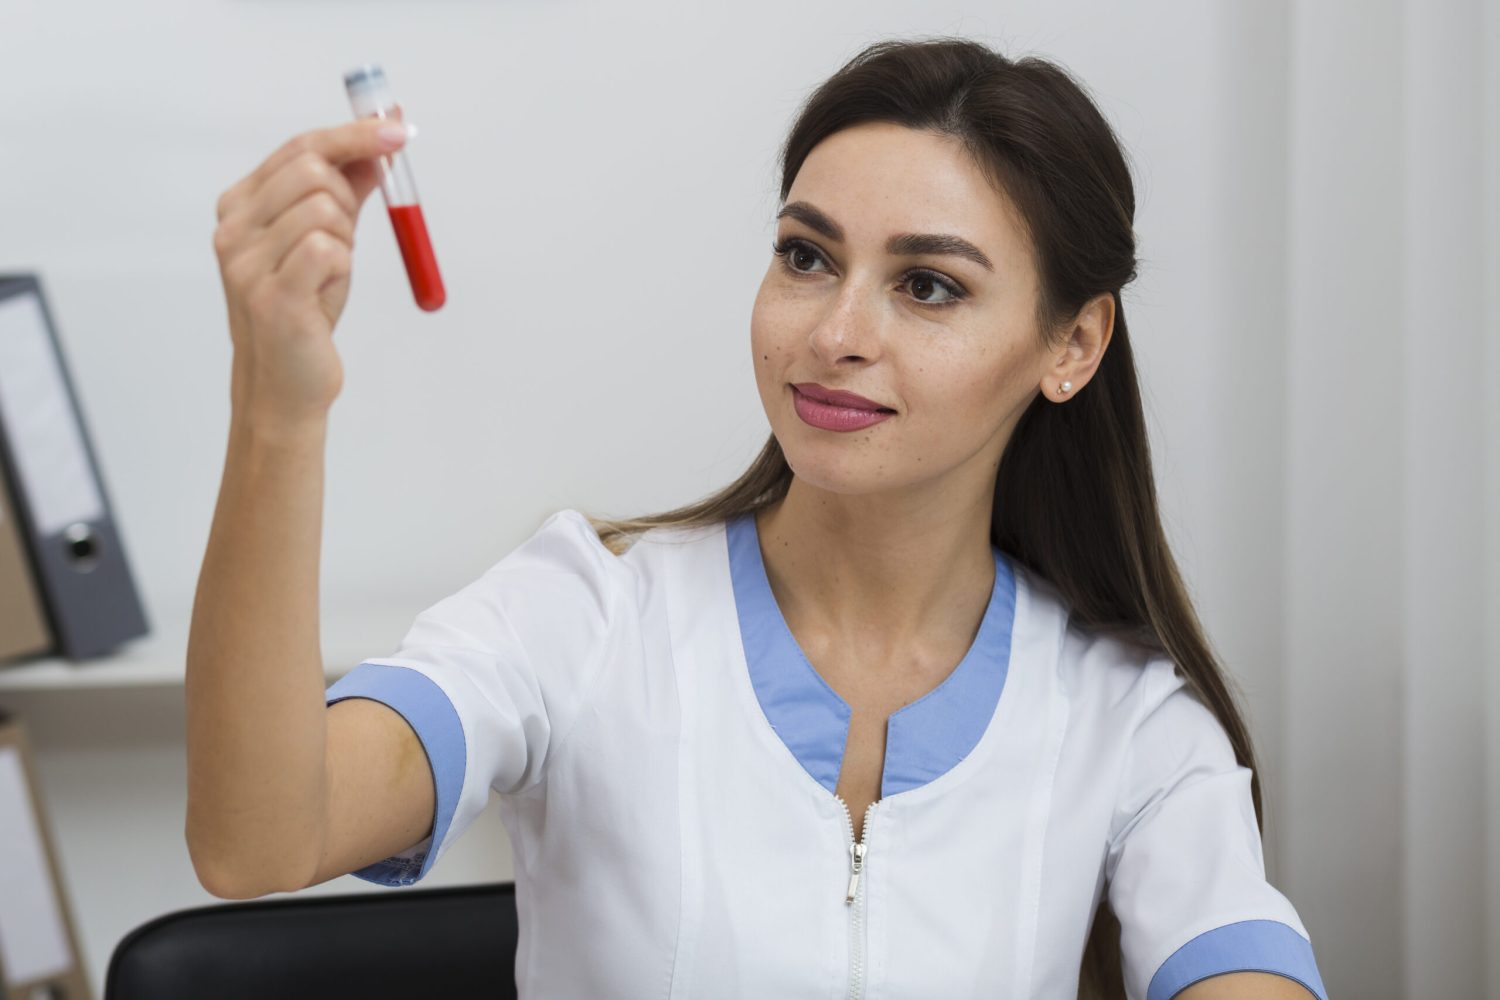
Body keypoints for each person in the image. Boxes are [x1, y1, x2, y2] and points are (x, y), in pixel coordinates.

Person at [185, 36, 1328, 1000]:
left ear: (1072, 346)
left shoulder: (1129, 720)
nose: (836, 331)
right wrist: (276, 413)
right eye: (806, 256)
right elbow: (260, 835)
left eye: (927, 284)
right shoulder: (587, 615)